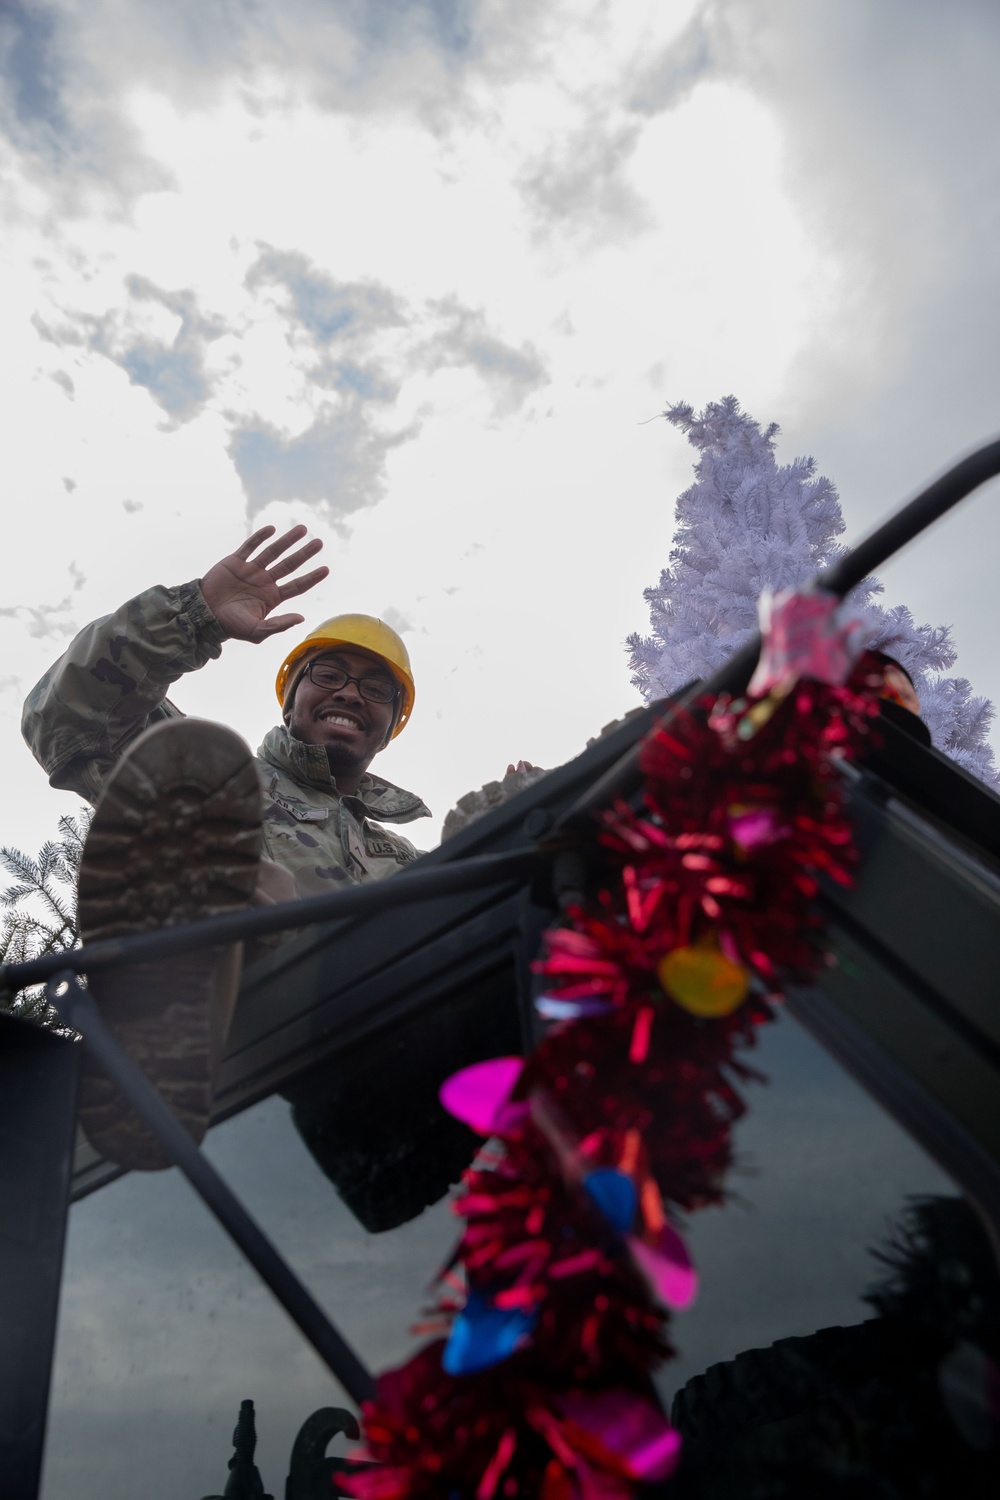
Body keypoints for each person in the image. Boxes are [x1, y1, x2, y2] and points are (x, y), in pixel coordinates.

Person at [22, 524, 433, 1170]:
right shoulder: (221, 785)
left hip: (372, 1117)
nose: (351, 692)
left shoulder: (408, 865)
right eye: (329, 673)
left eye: (377, 689)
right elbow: (65, 717)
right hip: (239, 1090)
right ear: (291, 694)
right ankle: (178, 974)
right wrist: (192, 618)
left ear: (391, 724)